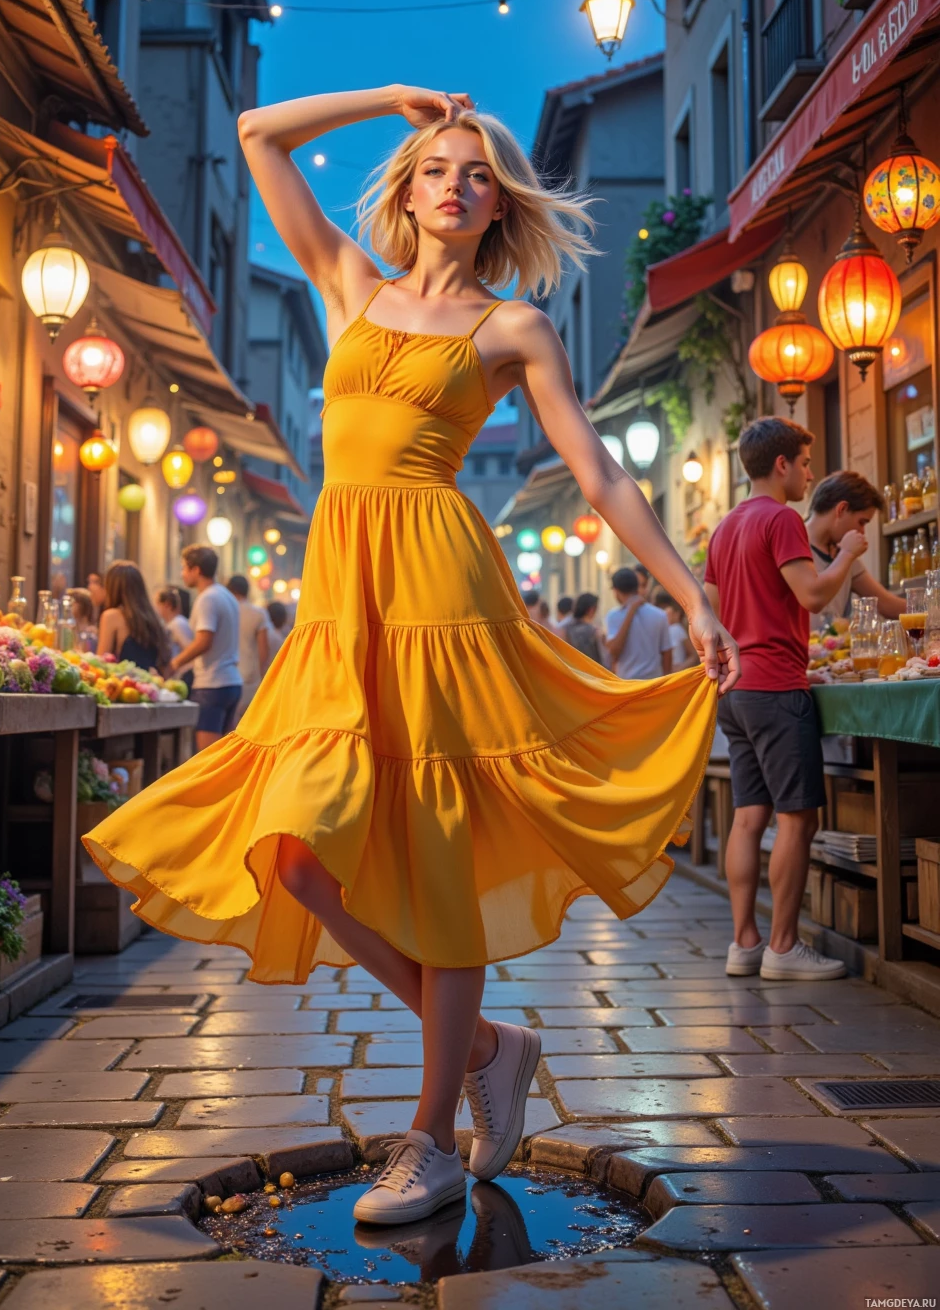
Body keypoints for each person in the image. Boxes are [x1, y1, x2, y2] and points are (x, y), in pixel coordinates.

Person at [83, 83, 738, 1229]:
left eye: (476, 173)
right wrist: (391, 98)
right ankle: (489, 1047)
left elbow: (596, 472)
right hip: (344, 600)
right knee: (292, 854)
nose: (454, 183)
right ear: (409, 189)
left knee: (440, 860)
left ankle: (430, 1136)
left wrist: (688, 592)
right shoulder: (350, 284)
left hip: (441, 588)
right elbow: (252, 135)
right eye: (435, 167)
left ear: (497, 206)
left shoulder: (511, 328)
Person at [705, 416, 867, 984]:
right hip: (775, 687)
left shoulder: (726, 527)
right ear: (781, 465)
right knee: (799, 818)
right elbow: (814, 594)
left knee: (750, 818)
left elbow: (708, 606)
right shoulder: (781, 519)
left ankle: (744, 942)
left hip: (737, 689)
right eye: (803, 462)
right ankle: (783, 947)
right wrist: (846, 553)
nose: (808, 474)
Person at [168, 545, 243, 750]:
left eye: (184, 568)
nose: (182, 574)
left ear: (197, 570)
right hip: (231, 681)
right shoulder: (227, 596)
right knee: (223, 754)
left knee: (207, 756)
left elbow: (204, 641)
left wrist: (175, 662)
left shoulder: (207, 598)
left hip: (212, 683)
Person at [805, 472, 905, 621]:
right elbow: (813, 598)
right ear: (842, 509)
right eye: (861, 522)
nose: (862, 532)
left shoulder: (845, 554)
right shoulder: (792, 542)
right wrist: (847, 553)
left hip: (832, 644)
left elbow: (888, 605)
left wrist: (931, 610)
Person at [97, 561, 171, 674]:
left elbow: (102, 663)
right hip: (153, 688)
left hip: (125, 687)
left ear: (112, 587)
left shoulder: (111, 616)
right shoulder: (153, 619)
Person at [605, 567, 672, 678]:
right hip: (654, 682)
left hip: (627, 683)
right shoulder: (659, 615)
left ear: (616, 591)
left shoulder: (614, 616)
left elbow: (614, 652)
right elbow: (667, 652)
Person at [228, 573, 271, 728]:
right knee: (245, 728)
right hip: (249, 677)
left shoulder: (225, 610)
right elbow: (263, 650)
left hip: (226, 675)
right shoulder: (258, 613)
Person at [655, 590, 700, 670]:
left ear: (677, 614)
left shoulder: (677, 629)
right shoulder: (660, 629)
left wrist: (679, 669)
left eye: (665, 609)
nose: (663, 613)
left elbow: (694, 655)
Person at [563, 593, 603, 661]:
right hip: (591, 669)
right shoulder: (593, 631)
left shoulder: (566, 628)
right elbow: (604, 658)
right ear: (591, 609)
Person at [155, 586, 194, 657]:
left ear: (167, 605)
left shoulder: (178, 623)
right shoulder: (169, 623)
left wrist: (175, 666)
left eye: (158, 604)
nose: (155, 607)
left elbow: (190, 651)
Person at [67, 588, 98, 653]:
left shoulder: (92, 634)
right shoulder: (70, 628)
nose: (68, 606)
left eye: (72, 603)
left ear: (82, 605)